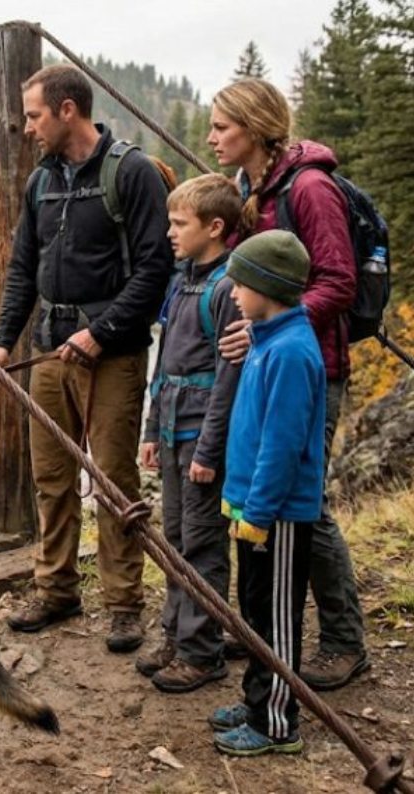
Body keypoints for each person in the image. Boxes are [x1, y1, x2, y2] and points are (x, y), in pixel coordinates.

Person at [0, 65, 173, 652]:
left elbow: (154, 271)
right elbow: (23, 269)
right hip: (47, 348)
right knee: (52, 477)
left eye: (35, 115)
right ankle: (57, 589)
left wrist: (102, 332)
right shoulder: (41, 182)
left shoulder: (133, 174)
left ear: (68, 110)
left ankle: (122, 605)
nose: (28, 128)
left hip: (110, 354)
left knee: (115, 479)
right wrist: (0, 340)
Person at [208, 78, 368, 689]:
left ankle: (344, 641)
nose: (213, 136)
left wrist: (271, 332)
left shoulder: (310, 187)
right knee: (276, 503)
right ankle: (266, 630)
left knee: (307, 506)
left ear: (253, 125)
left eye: (223, 126)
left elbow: (338, 281)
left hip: (313, 368)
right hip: (272, 360)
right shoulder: (255, 188)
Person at [208, 229, 326, 757]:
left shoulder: (293, 353)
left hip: (275, 515)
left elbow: (281, 444)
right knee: (255, 612)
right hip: (253, 508)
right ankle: (259, 699)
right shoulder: (265, 341)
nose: (233, 292)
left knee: (275, 618)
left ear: (267, 287)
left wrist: (257, 509)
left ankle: (277, 721)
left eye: (241, 284)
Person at [135, 174, 243, 692]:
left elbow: (228, 378)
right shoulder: (182, 281)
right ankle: (177, 635)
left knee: (201, 543)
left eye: (180, 224)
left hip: (201, 435)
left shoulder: (226, 290)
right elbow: (164, 363)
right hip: (174, 428)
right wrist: (152, 427)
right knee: (175, 537)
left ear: (215, 228)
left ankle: (203, 651)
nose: (171, 232)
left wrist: (209, 448)